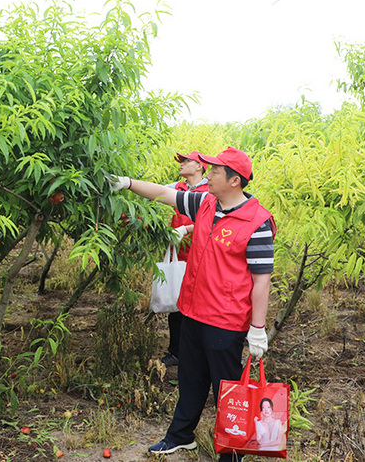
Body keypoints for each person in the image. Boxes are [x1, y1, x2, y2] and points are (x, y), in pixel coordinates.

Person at [109, 146, 275, 462]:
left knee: (227, 389)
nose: (208, 175)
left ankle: (232, 451)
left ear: (235, 180)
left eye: (215, 171)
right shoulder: (205, 203)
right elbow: (163, 194)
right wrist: (127, 183)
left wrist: (257, 329)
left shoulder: (257, 222)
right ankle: (180, 436)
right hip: (193, 311)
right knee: (190, 379)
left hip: (225, 321)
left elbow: (261, 281)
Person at [161, 151, 209, 367]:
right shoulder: (176, 188)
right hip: (178, 256)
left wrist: (187, 229)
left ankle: (197, 353)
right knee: (176, 305)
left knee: (199, 306)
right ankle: (176, 352)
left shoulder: (209, 192)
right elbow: (154, 200)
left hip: (201, 258)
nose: (181, 164)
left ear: (199, 166)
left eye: (186, 161)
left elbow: (215, 222)